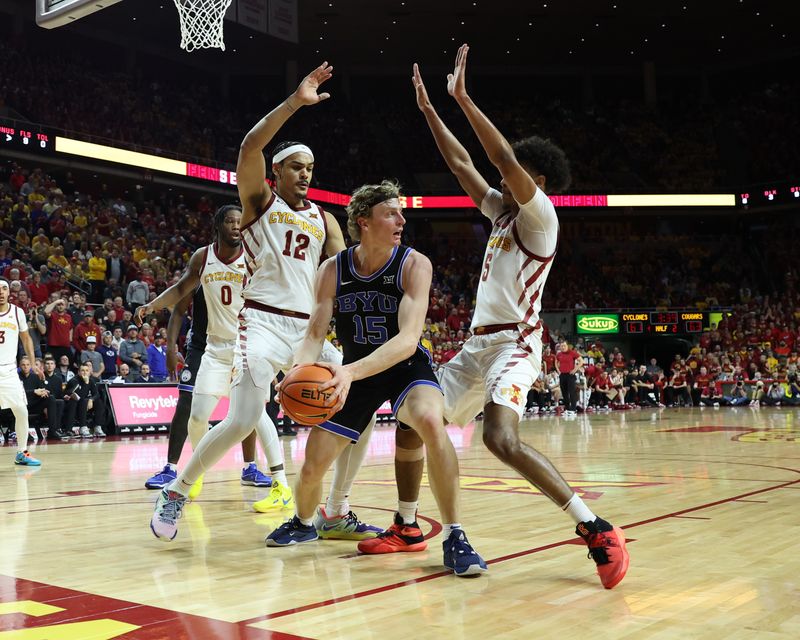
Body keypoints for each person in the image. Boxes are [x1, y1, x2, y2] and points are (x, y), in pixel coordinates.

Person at [378, 46, 629, 589]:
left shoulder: (540, 216)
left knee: (500, 440)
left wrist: (464, 98)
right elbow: (462, 165)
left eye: (520, 172)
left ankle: (595, 528)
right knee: (411, 421)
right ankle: (406, 523)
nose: (509, 178)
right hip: (477, 345)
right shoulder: (501, 212)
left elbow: (499, 161)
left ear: (536, 180)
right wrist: (429, 112)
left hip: (517, 343)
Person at [151, 63, 381, 542]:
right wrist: (296, 102)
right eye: (296, 167)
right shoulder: (259, 204)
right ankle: (178, 489)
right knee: (240, 421)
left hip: (309, 332)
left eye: (310, 169)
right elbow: (248, 147)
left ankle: (336, 510)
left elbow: (347, 275)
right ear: (276, 172)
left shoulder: (325, 220)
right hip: (259, 323)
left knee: (360, 407)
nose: (305, 175)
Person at [264, 180, 487, 576]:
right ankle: (303, 523)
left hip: (404, 367)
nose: (402, 219)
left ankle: (456, 535)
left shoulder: (414, 263)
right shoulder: (332, 269)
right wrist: (297, 372)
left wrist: (347, 371)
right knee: (313, 465)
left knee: (431, 421)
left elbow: (407, 340)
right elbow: (315, 333)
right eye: (391, 213)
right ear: (364, 222)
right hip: (355, 372)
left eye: (401, 212)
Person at [138, 206, 275, 498]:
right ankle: (186, 470)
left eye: (240, 221)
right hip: (209, 346)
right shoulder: (202, 258)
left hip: (244, 346)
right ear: (218, 225)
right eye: (230, 221)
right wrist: (152, 307)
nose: (237, 226)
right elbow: (178, 295)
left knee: (251, 412)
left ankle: (262, 470)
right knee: (194, 413)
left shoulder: (254, 257)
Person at [0, 279, 42, 466]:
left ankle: (22, 453)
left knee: (21, 411)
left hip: (8, 370)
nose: (0, 292)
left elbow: (26, 340)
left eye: (4, 288)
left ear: (10, 292)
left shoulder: (17, 313)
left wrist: (33, 363)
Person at [555, 341, 580, 416]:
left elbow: (581, 361)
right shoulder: (559, 354)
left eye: (564, 346)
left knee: (572, 392)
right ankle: (567, 408)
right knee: (564, 392)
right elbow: (556, 362)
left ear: (567, 346)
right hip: (562, 375)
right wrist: (558, 371)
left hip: (570, 375)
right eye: (561, 346)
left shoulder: (572, 353)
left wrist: (575, 369)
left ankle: (573, 409)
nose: (563, 347)